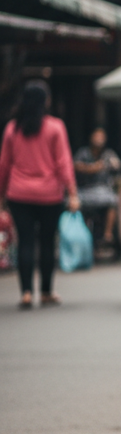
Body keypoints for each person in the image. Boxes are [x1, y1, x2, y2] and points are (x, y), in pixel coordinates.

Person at [0, 80, 79, 308]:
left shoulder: (12, 129)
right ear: (45, 101)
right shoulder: (55, 127)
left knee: (25, 242)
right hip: (49, 195)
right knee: (46, 242)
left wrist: (1, 195)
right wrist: (72, 193)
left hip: (18, 194)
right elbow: (64, 163)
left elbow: (4, 165)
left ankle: (26, 293)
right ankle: (45, 291)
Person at [74, 127, 121, 250]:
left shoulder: (108, 154)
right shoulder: (83, 153)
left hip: (103, 191)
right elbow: (75, 166)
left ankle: (108, 234)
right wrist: (94, 167)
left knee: (113, 200)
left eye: (102, 137)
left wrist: (115, 164)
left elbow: (118, 165)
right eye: (97, 136)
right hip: (85, 190)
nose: (99, 140)